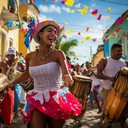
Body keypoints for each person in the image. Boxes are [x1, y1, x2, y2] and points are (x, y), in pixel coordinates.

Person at [8, 20, 82, 128]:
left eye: (55, 32)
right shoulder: (30, 56)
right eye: (49, 30)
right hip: (37, 98)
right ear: (40, 34)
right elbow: (27, 74)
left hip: (56, 99)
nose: (54, 34)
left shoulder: (58, 54)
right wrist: (11, 83)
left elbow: (66, 73)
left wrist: (68, 78)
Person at [97, 43, 128, 127]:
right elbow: (98, 74)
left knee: (123, 109)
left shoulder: (125, 63)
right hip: (108, 88)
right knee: (109, 110)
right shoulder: (105, 60)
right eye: (118, 51)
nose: (120, 53)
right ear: (112, 51)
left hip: (122, 90)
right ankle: (107, 123)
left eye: (121, 51)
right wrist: (109, 78)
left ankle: (122, 122)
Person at [0, 47, 21, 126]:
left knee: (9, 109)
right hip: (2, 90)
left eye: (13, 56)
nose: (11, 57)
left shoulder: (16, 65)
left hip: (11, 89)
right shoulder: (2, 64)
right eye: (10, 55)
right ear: (7, 56)